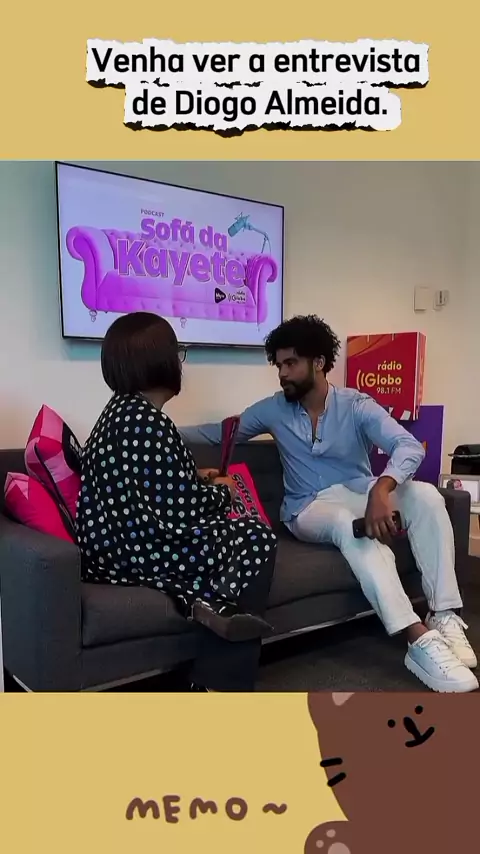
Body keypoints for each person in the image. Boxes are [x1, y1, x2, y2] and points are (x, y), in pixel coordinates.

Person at [181, 314, 478, 693]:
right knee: (346, 524)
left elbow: (406, 446)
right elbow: (219, 433)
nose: (282, 374)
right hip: (307, 508)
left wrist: (382, 489)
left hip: (359, 490)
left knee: (426, 495)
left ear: (319, 362)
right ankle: (417, 637)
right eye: (279, 365)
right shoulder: (272, 409)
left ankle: (443, 614)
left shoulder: (356, 405)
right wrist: (161, 431)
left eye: (291, 363)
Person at [76, 311, 277, 692]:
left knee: (236, 537)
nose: (179, 363)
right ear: (160, 361)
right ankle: (221, 676)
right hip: (139, 550)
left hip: (113, 547)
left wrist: (195, 475)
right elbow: (181, 509)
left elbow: (150, 485)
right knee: (256, 537)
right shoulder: (149, 423)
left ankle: (214, 602)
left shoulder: (118, 414)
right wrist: (224, 492)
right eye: (177, 353)